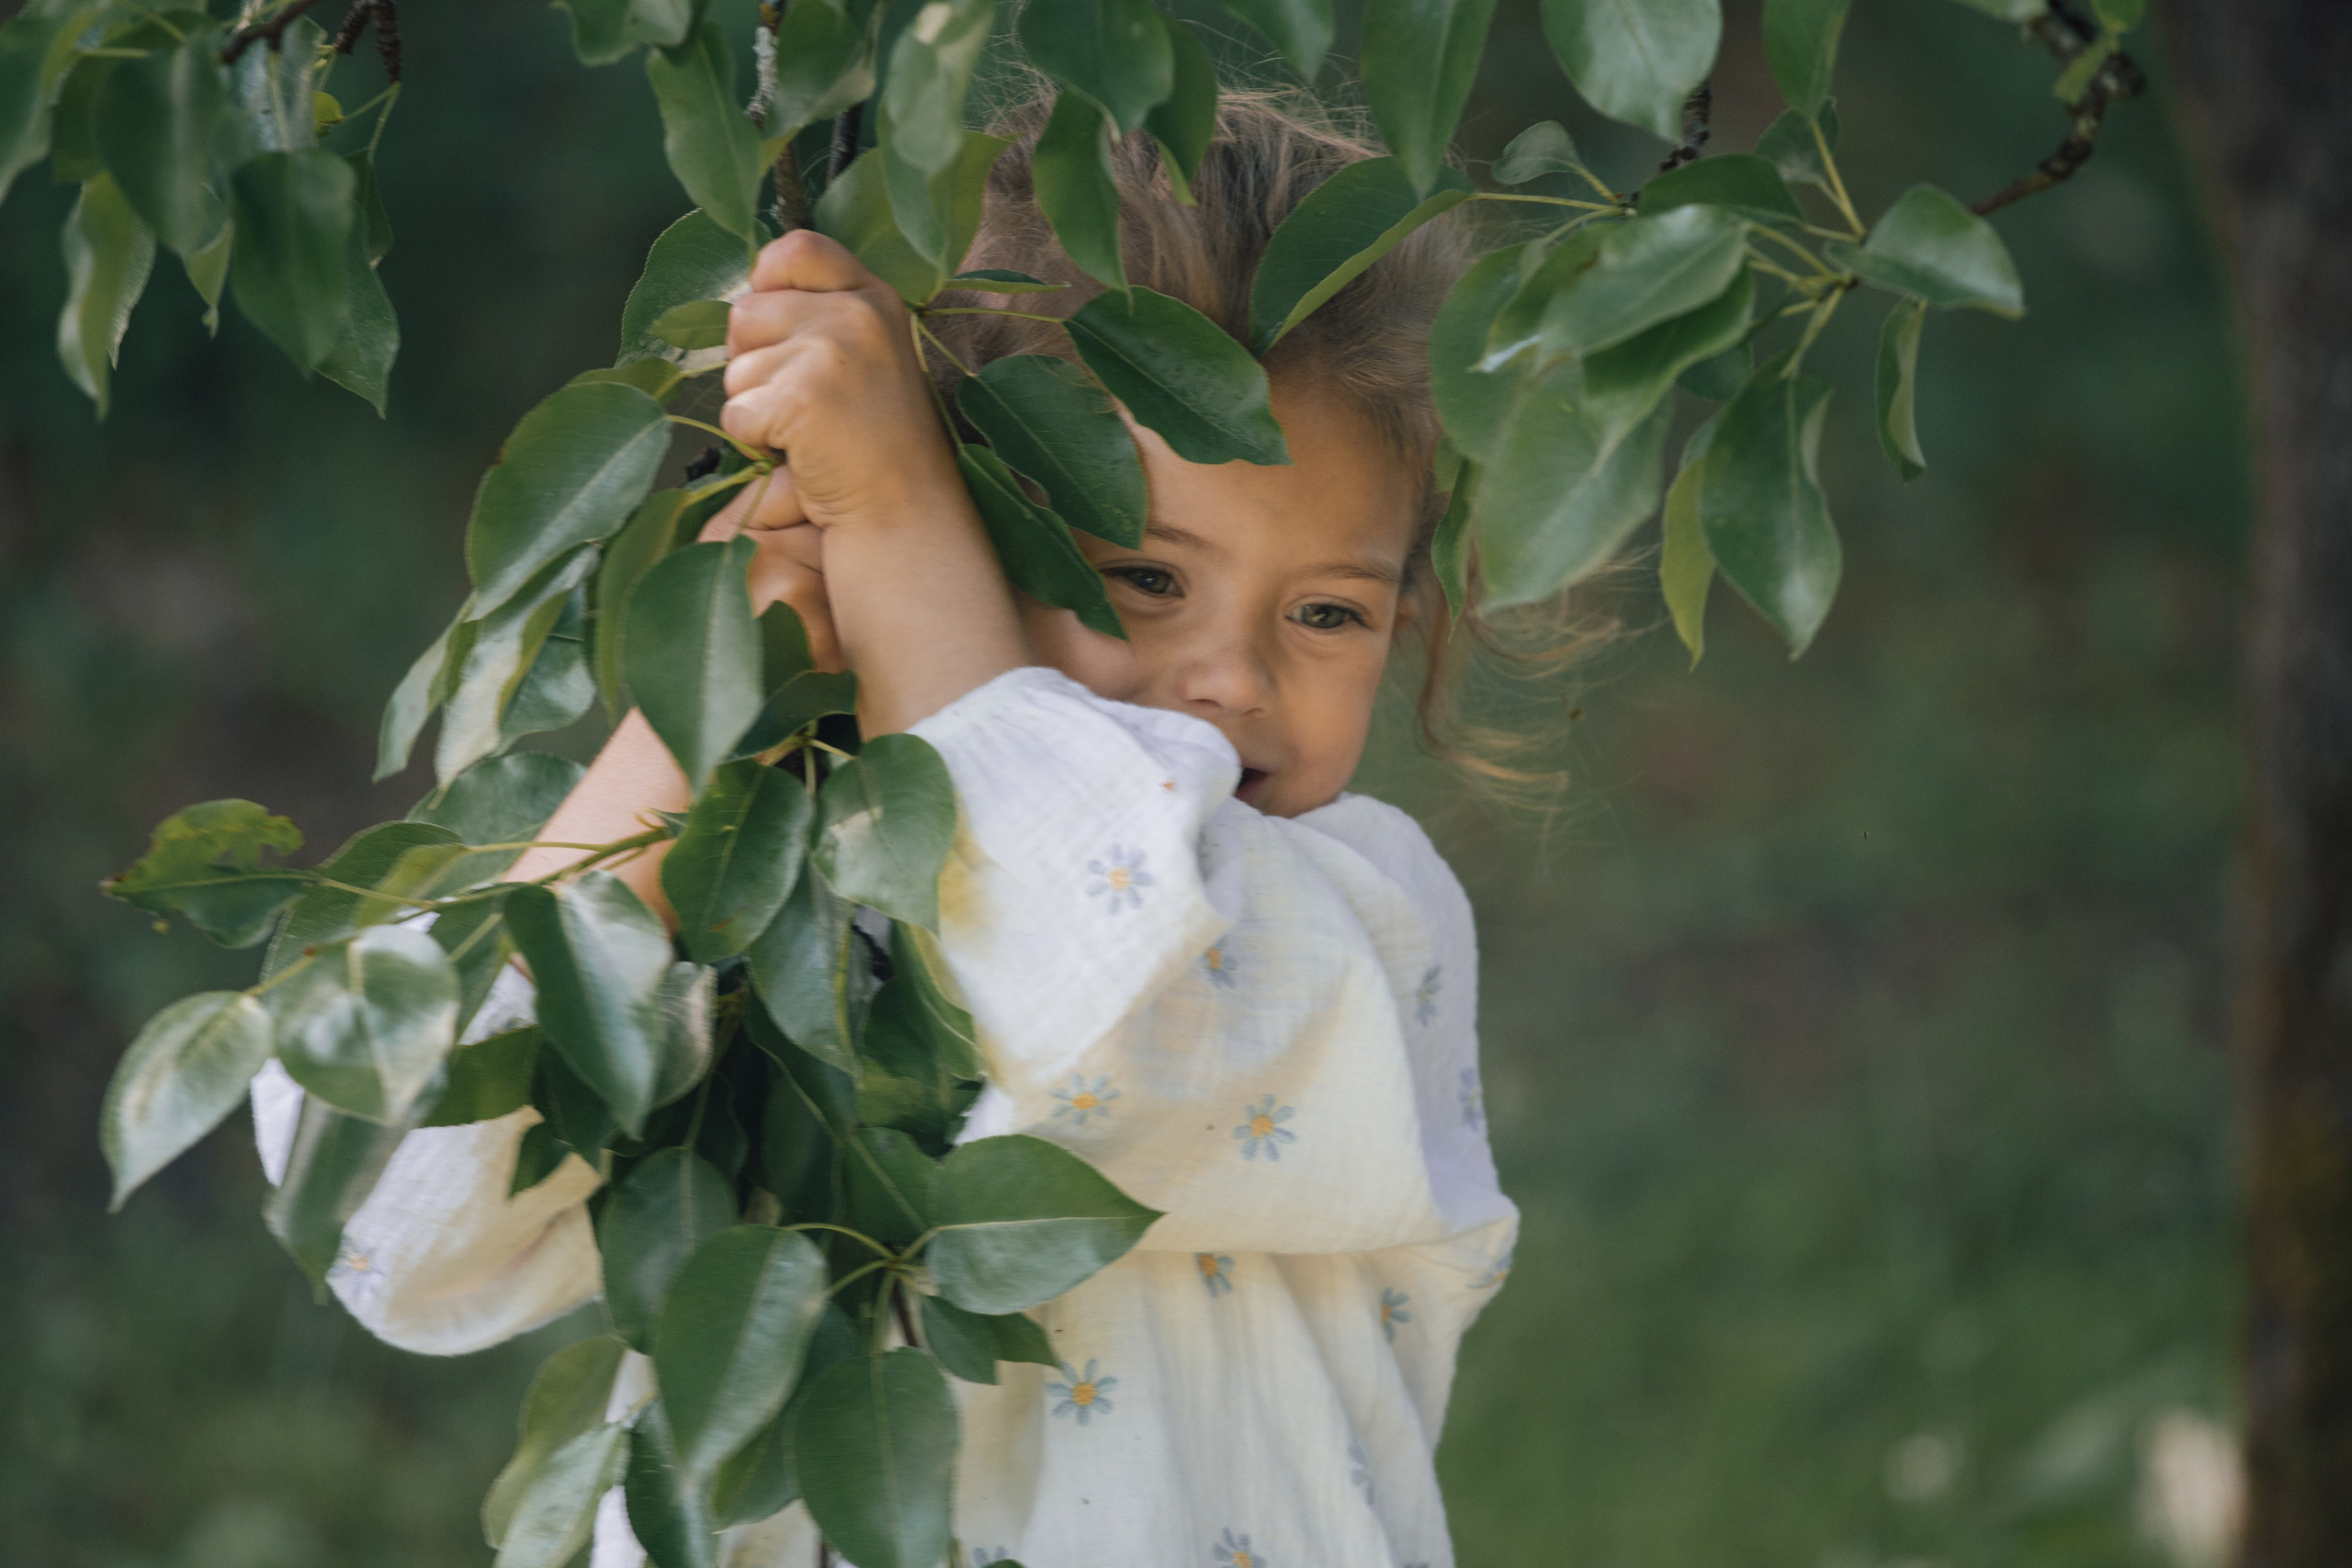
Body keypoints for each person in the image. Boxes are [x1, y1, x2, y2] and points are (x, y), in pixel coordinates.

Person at [253, 90, 1525, 1568]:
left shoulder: (1368, 921)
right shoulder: (768, 908)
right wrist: (682, 748)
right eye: (1144, 580)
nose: (1234, 678)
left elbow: (1101, 966)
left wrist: (902, 524)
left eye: (1327, 613)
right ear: (983, 550)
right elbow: (380, 1215)